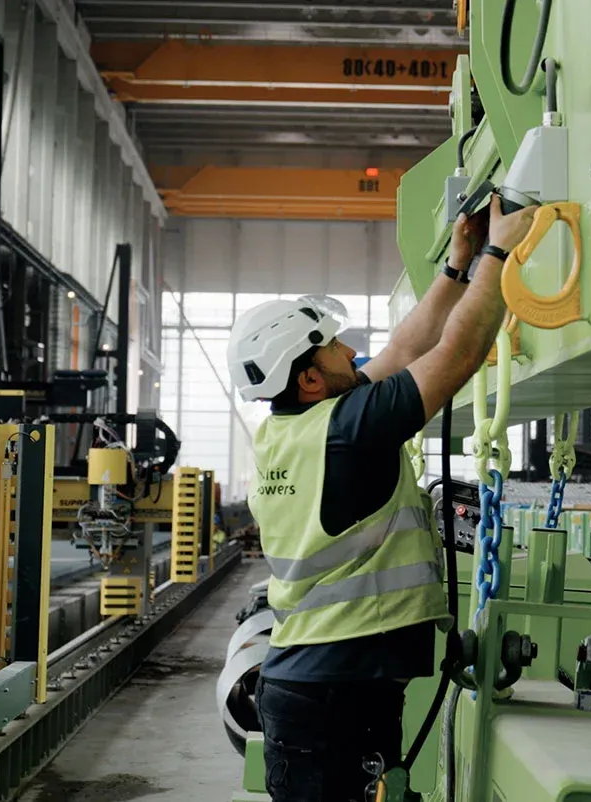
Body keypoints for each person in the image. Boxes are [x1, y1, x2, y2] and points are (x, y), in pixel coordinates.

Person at [226, 195, 537, 802]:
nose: (351, 352)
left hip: (325, 689)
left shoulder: (293, 429)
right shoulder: (346, 430)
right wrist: (500, 252)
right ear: (310, 379)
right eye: (334, 346)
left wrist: (457, 265)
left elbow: (402, 352)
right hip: (331, 699)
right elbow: (457, 355)